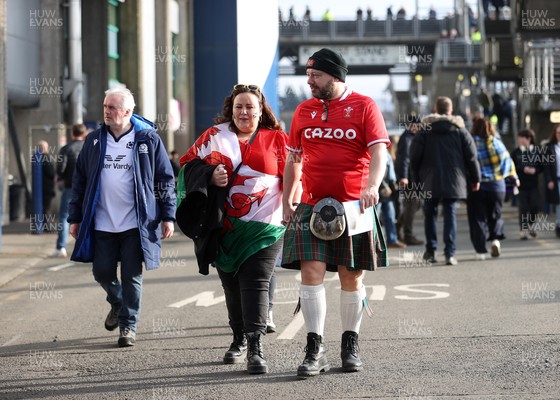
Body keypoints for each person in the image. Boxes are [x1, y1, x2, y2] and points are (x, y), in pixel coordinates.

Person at [281, 48, 389, 378]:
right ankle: (315, 349)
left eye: (316, 75)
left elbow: (379, 152)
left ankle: (349, 344)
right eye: (308, 75)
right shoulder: (303, 111)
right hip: (313, 204)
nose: (309, 80)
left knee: (351, 276)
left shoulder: (365, 106)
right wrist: (288, 198)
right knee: (310, 272)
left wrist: (372, 185)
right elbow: (294, 159)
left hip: (355, 205)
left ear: (336, 76)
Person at [178, 83, 289, 374]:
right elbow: (186, 167)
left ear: (260, 109)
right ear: (231, 108)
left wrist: (294, 206)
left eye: (250, 106)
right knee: (231, 284)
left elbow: (295, 173)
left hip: (267, 227)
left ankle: (255, 346)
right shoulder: (214, 136)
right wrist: (209, 174)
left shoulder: (276, 139)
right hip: (223, 226)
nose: (244, 111)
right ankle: (238, 338)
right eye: (238, 106)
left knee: (256, 282)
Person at [68, 87, 176, 347]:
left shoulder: (147, 140)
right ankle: (118, 302)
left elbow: (165, 179)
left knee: (132, 275)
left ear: (128, 112)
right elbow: (79, 180)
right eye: (105, 106)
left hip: (136, 224)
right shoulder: (93, 141)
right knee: (102, 272)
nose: (107, 111)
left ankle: (128, 326)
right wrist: (75, 217)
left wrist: (167, 215)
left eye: (113, 107)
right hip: (102, 222)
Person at [409, 96, 481, 265]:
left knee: (430, 213)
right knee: (450, 213)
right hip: (454, 179)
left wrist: (415, 180)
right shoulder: (460, 131)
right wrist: (476, 178)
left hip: (429, 179)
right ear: (451, 110)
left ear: (435, 109)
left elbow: (414, 158)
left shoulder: (424, 131)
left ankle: (430, 251)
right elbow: (472, 157)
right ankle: (449, 253)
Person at [467, 118, 517, 260]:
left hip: (477, 186)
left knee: (478, 218)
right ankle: (495, 239)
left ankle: (480, 250)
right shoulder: (496, 143)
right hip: (497, 186)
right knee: (496, 215)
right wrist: (514, 178)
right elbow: (508, 161)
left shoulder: (469, 142)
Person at [52, 124, 87, 258]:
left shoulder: (66, 149)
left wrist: (60, 177)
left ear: (72, 134)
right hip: (86, 187)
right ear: (84, 134)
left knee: (64, 217)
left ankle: (61, 247)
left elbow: (61, 168)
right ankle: (85, 246)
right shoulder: (88, 148)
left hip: (70, 186)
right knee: (86, 216)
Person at [394, 119, 423, 246]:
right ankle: (408, 235)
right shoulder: (407, 138)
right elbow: (403, 159)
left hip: (415, 178)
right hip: (409, 179)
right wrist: (403, 177)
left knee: (414, 205)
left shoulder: (413, 137)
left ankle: (398, 226)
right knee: (412, 205)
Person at [511, 129, 542, 239]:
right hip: (521, 185)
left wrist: (535, 170)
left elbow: (541, 166)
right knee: (523, 208)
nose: (520, 139)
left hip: (533, 184)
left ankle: (531, 224)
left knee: (535, 205)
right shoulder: (516, 152)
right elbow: (512, 166)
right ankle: (523, 229)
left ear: (528, 138)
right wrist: (523, 169)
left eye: (521, 137)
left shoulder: (536, 151)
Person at [378, 149, 406, 248]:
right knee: (375, 218)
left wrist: (393, 185)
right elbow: (377, 171)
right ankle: (374, 242)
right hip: (380, 189)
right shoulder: (377, 151)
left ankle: (392, 240)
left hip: (388, 188)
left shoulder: (386, 153)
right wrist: (383, 186)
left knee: (390, 215)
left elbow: (390, 172)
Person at [36, 140, 56, 231]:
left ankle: (44, 226)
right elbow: (51, 172)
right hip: (47, 187)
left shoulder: (37, 158)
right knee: (46, 208)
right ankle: (46, 227)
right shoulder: (45, 158)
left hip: (42, 187)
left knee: (44, 208)